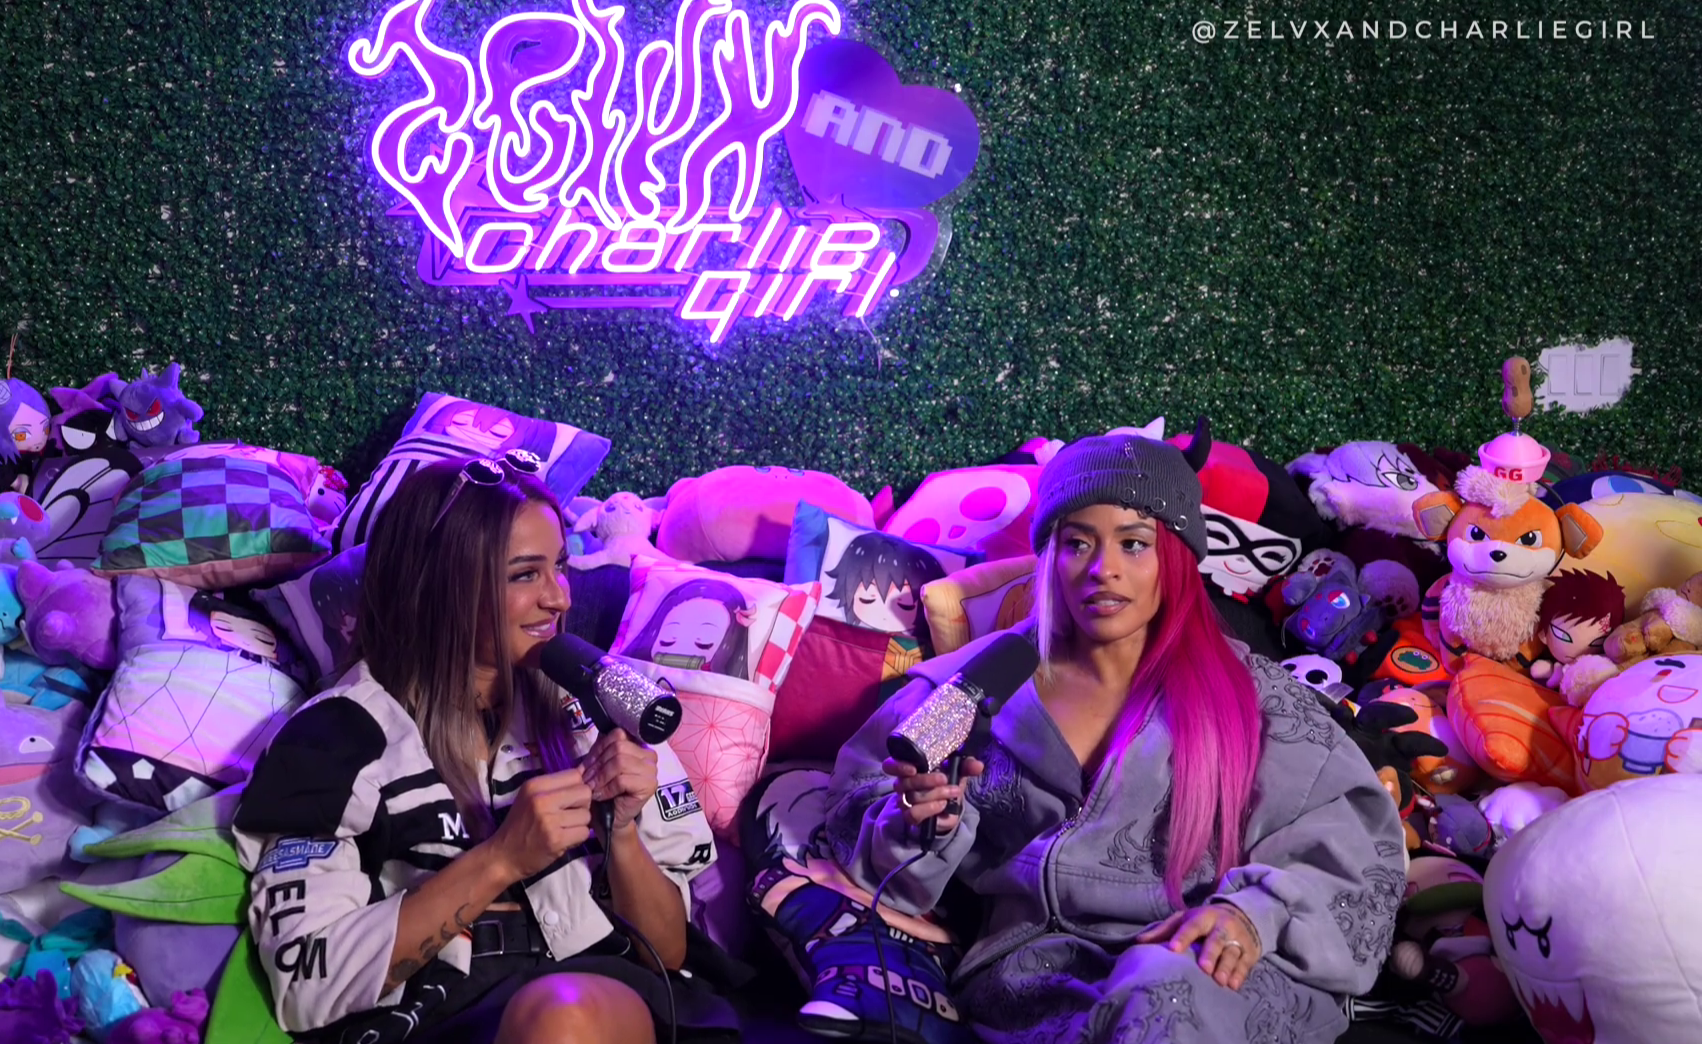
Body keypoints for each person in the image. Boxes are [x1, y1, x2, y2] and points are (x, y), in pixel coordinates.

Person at [826, 434, 1406, 1043]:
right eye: (1077, 543)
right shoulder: (971, 684)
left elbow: (1356, 849)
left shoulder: (1252, 697)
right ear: (1050, 556)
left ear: (1174, 556)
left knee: (1160, 989)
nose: (1104, 568)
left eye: (1134, 543)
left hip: (1202, 969)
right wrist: (923, 824)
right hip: (1031, 984)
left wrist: (1254, 913)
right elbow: (860, 819)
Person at [231, 451, 733, 1044]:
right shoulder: (335, 738)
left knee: (560, 1015)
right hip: (435, 1019)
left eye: (560, 567)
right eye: (524, 575)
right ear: (437, 588)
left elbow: (667, 955)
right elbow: (306, 987)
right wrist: (501, 859)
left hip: (599, 1001)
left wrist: (620, 831)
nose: (559, 599)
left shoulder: (603, 700)